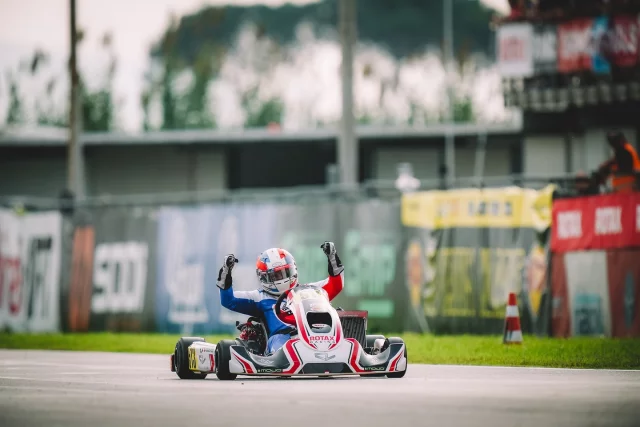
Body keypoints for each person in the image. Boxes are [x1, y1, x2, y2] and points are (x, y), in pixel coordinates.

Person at [216, 242, 344, 355]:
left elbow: (336, 285)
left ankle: (332, 350)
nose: (282, 278)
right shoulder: (259, 297)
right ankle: (290, 357)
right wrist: (226, 271)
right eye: (276, 275)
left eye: (285, 272)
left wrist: (332, 257)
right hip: (282, 339)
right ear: (264, 277)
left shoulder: (309, 290)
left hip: (315, 335)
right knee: (279, 344)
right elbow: (229, 300)